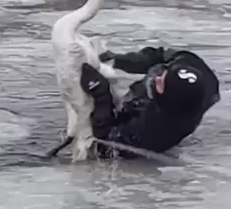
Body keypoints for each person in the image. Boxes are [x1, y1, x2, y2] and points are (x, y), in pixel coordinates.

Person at [79, 46, 221, 158]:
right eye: (164, 72)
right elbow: (159, 56)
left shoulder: (156, 130)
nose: (158, 77)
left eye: (161, 82)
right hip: (174, 93)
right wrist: (118, 60)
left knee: (124, 118)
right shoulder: (189, 63)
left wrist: (101, 94)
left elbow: (106, 146)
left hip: (156, 119)